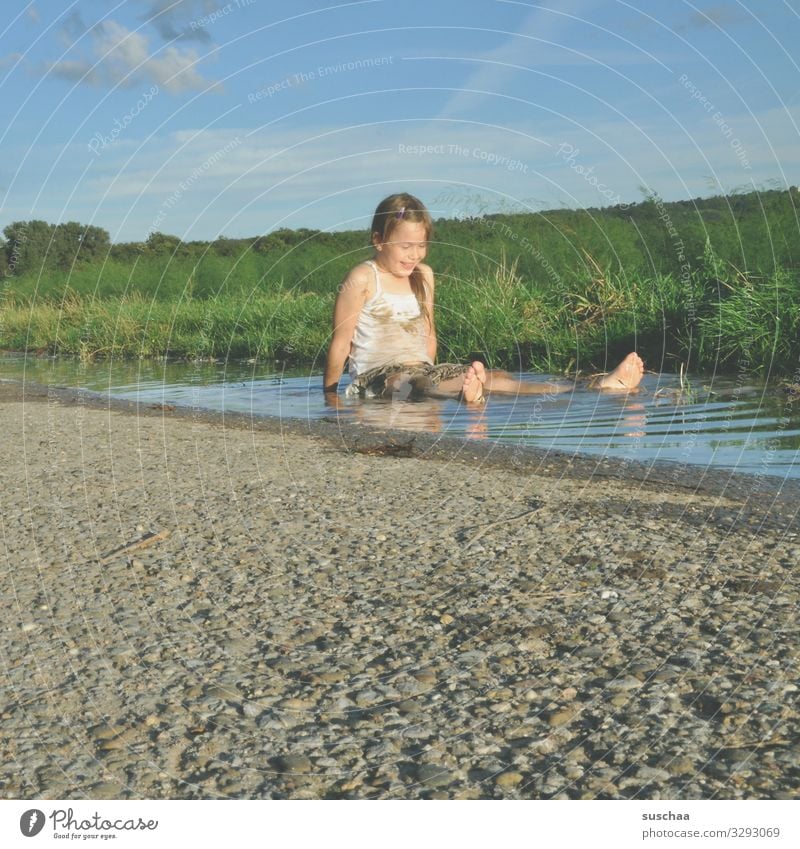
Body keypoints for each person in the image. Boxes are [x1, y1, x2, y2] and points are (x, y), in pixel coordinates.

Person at [323, 193, 644, 404]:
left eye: (421, 246)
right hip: (377, 376)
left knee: (496, 377)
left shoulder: (424, 275)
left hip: (420, 367)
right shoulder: (363, 278)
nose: (414, 255)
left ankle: (595, 388)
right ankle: (464, 393)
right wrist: (330, 396)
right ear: (379, 241)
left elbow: (429, 333)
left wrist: (435, 371)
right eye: (405, 247)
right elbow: (341, 343)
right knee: (407, 383)